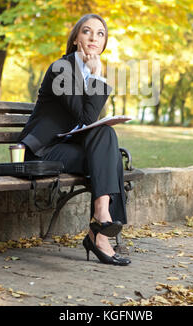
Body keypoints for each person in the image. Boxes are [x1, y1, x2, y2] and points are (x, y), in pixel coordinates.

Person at [18, 14, 131, 266]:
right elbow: (86, 115)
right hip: (43, 151)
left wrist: (93, 75)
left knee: (107, 135)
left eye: (100, 33)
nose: (93, 37)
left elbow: (89, 124)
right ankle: (100, 231)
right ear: (75, 38)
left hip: (67, 148)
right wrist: (97, 75)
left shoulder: (87, 71)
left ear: (104, 42)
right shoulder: (62, 68)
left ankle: (101, 222)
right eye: (87, 31)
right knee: (108, 156)